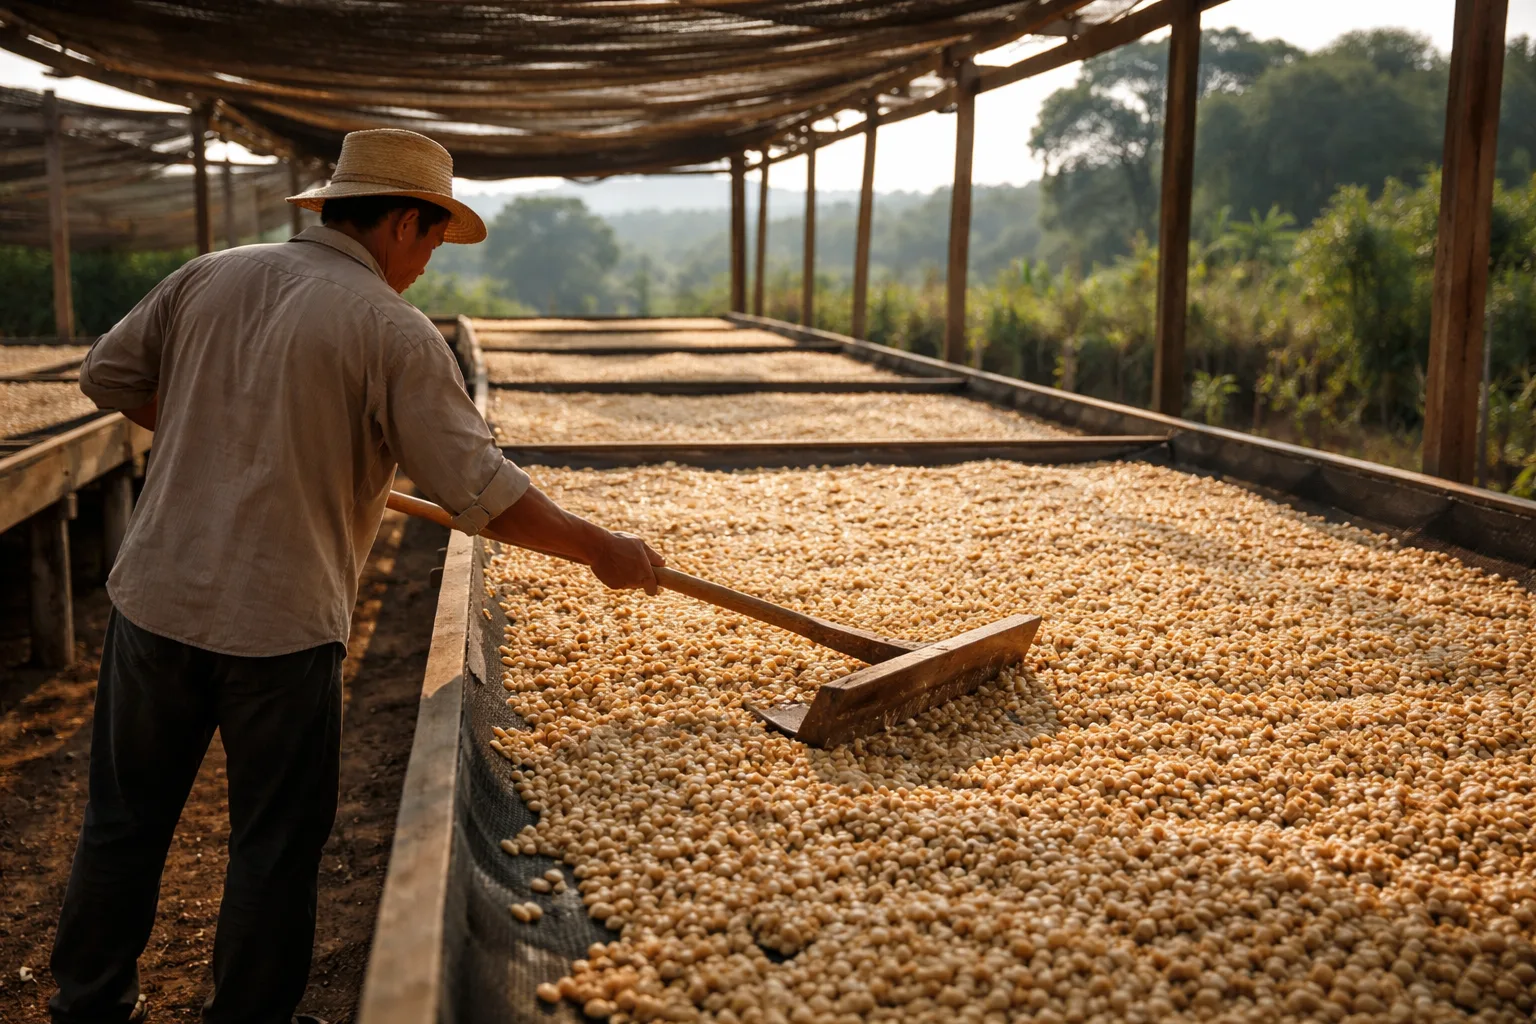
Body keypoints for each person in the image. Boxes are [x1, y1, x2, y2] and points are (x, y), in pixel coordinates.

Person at [50, 128, 663, 1024]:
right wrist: (599, 547)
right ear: (407, 223)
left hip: (154, 603)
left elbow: (107, 375)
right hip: (280, 628)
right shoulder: (390, 328)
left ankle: (87, 1006)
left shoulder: (210, 275)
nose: (425, 269)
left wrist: (209, 428)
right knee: (272, 845)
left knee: (123, 822)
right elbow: (483, 492)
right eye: (431, 244)